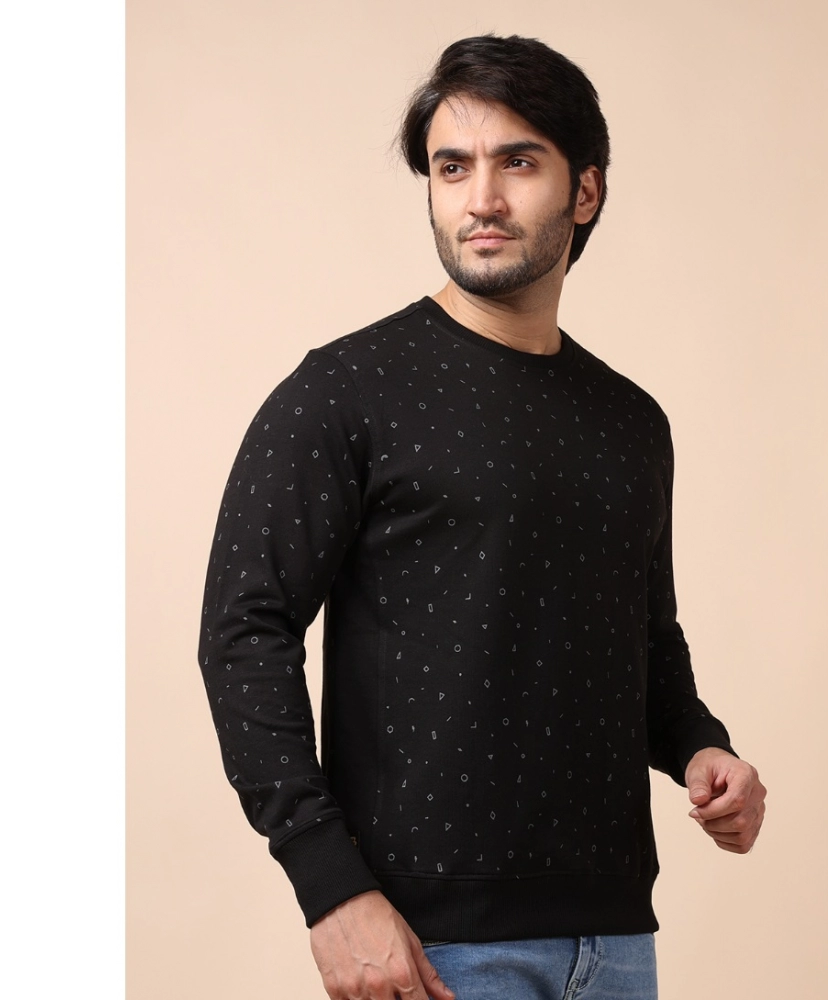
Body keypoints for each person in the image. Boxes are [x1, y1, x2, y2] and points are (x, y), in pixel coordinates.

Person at [198, 33, 766, 1000]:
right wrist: (331, 889)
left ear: (586, 191)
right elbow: (242, 633)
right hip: (432, 949)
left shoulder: (632, 421)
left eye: (519, 163)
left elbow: (643, 639)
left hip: (617, 941)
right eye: (453, 167)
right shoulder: (345, 391)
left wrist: (702, 748)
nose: (482, 200)